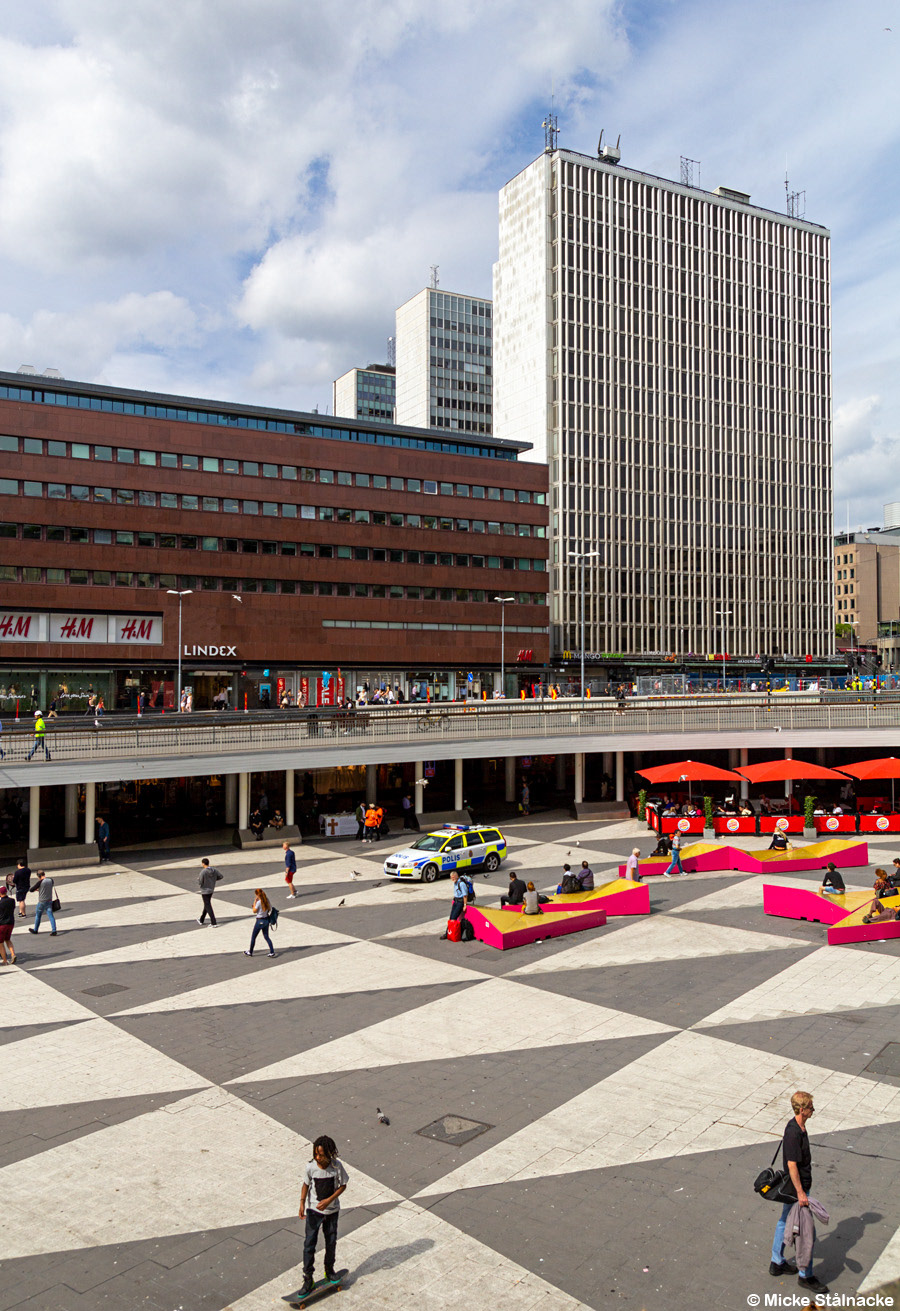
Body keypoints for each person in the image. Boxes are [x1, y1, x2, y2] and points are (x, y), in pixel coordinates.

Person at [769, 1090, 829, 1296]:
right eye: (811, 1107)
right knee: (806, 1231)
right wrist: (801, 1193)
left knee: (785, 1221)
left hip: (798, 1187)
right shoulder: (794, 1132)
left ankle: (777, 1261)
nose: (814, 1110)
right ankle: (806, 1275)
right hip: (798, 1189)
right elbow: (792, 1165)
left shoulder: (799, 1127)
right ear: (802, 1109)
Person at [298, 1135, 349, 1296]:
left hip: (332, 1211)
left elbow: (343, 1185)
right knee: (309, 1244)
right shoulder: (311, 1167)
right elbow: (306, 1185)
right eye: (316, 1154)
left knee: (331, 1241)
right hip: (314, 1211)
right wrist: (301, 1203)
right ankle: (308, 1278)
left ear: (330, 1153)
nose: (318, 1158)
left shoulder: (336, 1167)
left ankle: (329, 1270)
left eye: (321, 1155)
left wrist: (329, 1200)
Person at [244, 888, 276, 958]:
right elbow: (270, 908)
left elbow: (254, 911)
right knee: (266, 937)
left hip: (259, 921)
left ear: (257, 895)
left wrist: (255, 902)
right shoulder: (267, 900)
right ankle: (272, 951)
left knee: (253, 937)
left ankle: (250, 952)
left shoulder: (259, 902)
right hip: (266, 920)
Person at [27, 870, 57, 936]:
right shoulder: (51, 880)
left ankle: (35, 930)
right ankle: (54, 930)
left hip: (42, 902)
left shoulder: (40, 882)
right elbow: (47, 888)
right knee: (51, 915)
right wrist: (40, 890)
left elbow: (31, 890)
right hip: (49, 900)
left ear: (39, 876)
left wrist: (37, 890)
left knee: (38, 915)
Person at [440, 872, 469, 938]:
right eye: (451, 877)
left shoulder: (461, 884)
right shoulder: (455, 883)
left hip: (460, 902)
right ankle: (448, 933)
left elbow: (465, 896)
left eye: (454, 877)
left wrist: (464, 905)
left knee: (453, 918)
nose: (452, 879)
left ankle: (449, 934)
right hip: (456, 901)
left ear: (457, 876)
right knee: (451, 918)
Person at [197, 858, 222, 926]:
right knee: (207, 904)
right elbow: (220, 876)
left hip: (205, 890)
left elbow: (200, 881)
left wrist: (201, 882)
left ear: (203, 863)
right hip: (211, 889)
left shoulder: (203, 872)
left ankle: (213, 922)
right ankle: (201, 920)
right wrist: (213, 880)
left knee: (208, 905)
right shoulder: (214, 870)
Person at [0, 884, 17, 964]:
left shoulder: (0, 903)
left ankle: (4, 960)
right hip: (11, 923)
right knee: (8, 939)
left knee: (0, 943)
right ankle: (13, 954)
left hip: (2, 924)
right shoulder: (12, 900)